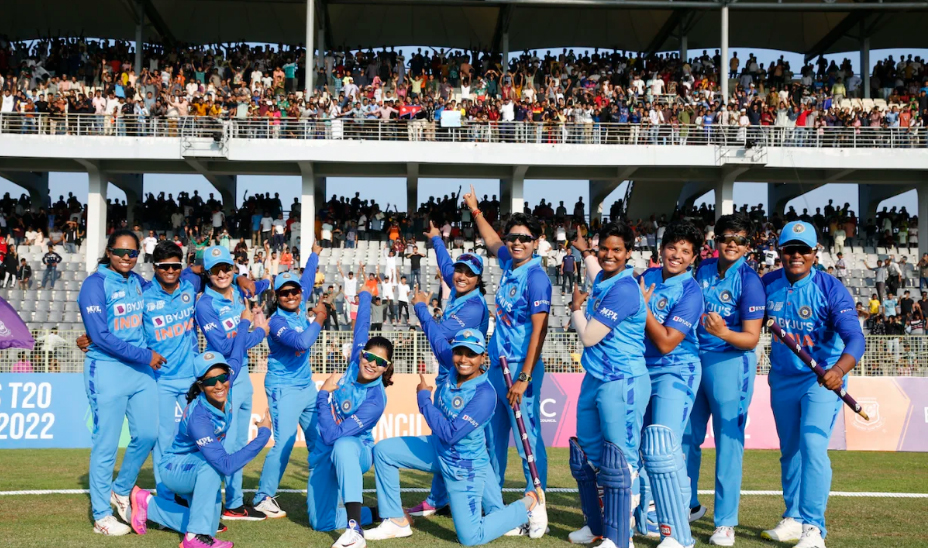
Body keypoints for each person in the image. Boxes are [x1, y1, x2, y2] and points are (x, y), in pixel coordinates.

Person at [367, 304, 547, 544]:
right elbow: (436, 336)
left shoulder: (484, 395)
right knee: (383, 451)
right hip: (436, 450)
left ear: (483, 356)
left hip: (463, 466)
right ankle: (395, 520)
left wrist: (423, 399)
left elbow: (451, 434)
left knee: (470, 537)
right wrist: (420, 306)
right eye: (459, 352)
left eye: (471, 354)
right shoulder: (453, 366)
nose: (464, 359)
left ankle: (529, 503)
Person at [125, 311, 273, 548]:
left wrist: (244, 321)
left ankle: (148, 505)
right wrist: (263, 435)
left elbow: (236, 351)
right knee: (214, 469)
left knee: (210, 523)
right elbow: (225, 465)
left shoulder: (228, 381)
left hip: (196, 463)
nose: (219, 385)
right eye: (210, 381)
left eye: (223, 376)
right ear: (200, 386)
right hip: (176, 468)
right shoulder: (199, 417)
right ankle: (193, 538)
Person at [760, 221, 865, 548]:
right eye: (790, 249)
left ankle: (814, 529)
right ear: (780, 252)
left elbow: (855, 339)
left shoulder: (831, 288)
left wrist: (839, 369)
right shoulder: (767, 284)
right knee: (790, 451)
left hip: (821, 382)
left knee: (812, 445)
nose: (796, 256)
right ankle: (793, 518)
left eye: (803, 250)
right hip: (782, 379)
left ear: (814, 253)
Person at [462, 184, 552, 498]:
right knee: (492, 437)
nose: (516, 243)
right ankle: (492, 500)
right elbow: (491, 240)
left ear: (536, 242)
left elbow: (539, 333)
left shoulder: (536, 278)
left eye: (524, 238)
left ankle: (535, 499)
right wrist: (475, 210)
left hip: (518, 371)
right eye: (513, 237)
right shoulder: (510, 265)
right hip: (496, 369)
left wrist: (524, 377)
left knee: (527, 438)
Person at [683, 214, 766, 547]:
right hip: (695, 360)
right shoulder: (702, 269)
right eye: (726, 237)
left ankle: (726, 522)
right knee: (686, 437)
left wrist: (723, 332)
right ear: (714, 240)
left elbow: (752, 338)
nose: (732, 243)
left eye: (740, 239)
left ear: (748, 246)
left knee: (728, 443)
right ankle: (685, 507)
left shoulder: (749, 280)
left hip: (731, 363)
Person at [78, 230, 166, 535]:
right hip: (108, 370)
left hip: (140, 372)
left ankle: (121, 489)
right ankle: (102, 516)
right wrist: (144, 354)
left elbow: (167, 288)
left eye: (133, 254)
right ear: (108, 251)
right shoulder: (94, 284)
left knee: (148, 434)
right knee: (106, 444)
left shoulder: (138, 283)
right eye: (121, 252)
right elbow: (101, 336)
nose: (127, 258)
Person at [567, 223, 649, 548]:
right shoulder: (603, 277)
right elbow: (594, 270)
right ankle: (598, 525)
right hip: (596, 377)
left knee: (622, 460)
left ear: (629, 253)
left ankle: (621, 536)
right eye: (605, 248)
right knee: (588, 455)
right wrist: (584, 250)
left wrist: (575, 308)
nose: (610, 254)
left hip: (622, 380)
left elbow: (588, 336)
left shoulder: (625, 288)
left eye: (618, 250)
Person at [405, 230, 490, 516]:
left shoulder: (472, 307)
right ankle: (439, 499)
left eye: (469, 273)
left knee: (464, 445)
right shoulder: (459, 290)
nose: (460, 276)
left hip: (463, 377)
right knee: (446, 441)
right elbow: (446, 268)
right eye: (459, 271)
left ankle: (487, 505)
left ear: (479, 279)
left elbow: (441, 344)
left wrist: (421, 309)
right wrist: (436, 240)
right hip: (454, 377)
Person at [635, 221, 705, 548]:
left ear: (694, 258)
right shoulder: (645, 278)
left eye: (685, 251)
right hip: (640, 369)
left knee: (664, 447)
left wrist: (642, 306)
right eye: (672, 247)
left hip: (676, 370)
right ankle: (649, 519)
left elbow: (665, 343)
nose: (676, 255)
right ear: (661, 249)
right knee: (643, 450)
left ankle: (678, 533)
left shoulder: (691, 291)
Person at [307, 288, 392, 548]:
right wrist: (365, 295)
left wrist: (323, 395)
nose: (371, 363)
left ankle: (355, 530)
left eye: (380, 362)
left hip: (357, 449)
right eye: (369, 356)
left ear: (386, 367)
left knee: (343, 445)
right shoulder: (357, 359)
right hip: (327, 447)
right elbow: (361, 327)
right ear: (362, 353)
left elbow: (335, 434)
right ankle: (372, 513)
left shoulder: (376, 400)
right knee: (319, 522)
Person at [252, 242, 329, 518]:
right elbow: (301, 341)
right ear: (277, 296)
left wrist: (314, 254)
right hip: (283, 388)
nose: (291, 295)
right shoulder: (276, 323)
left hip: (306, 387)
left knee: (320, 441)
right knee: (284, 442)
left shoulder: (299, 299)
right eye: (284, 292)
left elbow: (306, 280)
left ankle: (324, 488)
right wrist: (320, 317)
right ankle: (263, 497)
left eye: (294, 291)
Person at [196, 246, 271, 521]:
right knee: (225, 444)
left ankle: (235, 503)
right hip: (223, 380)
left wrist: (254, 281)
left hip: (243, 378)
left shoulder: (239, 292)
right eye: (216, 269)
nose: (222, 273)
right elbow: (226, 346)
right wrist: (258, 332)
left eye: (226, 268)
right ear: (207, 273)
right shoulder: (205, 305)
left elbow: (260, 283)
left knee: (239, 442)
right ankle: (216, 502)